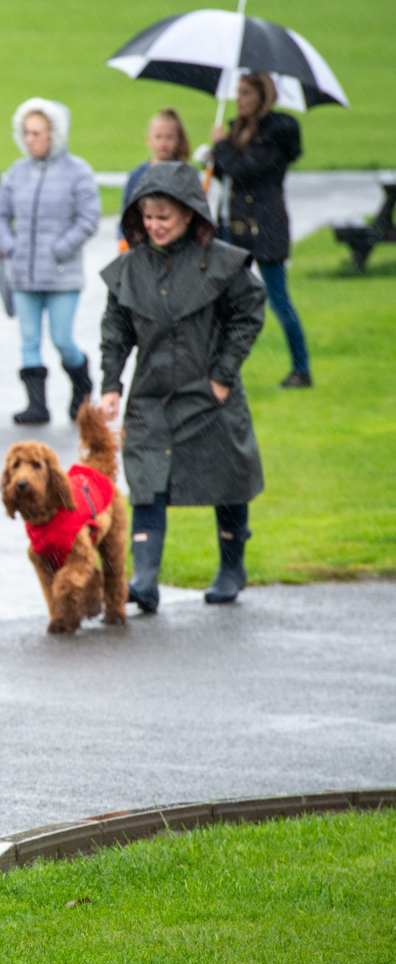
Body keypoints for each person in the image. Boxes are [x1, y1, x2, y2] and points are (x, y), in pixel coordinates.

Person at [99, 161, 266, 610]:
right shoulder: (128, 269)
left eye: (164, 218)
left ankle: (232, 568)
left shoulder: (224, 265)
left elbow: (248, 316)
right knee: (147, 479)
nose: (154, 226)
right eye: (147, 218)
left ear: (190, 214)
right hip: (151, 395)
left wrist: (222, 376)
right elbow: (115, 330)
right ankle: (145, 580)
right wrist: (111, 383)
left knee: (228, 479)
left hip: (211, 394)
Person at [0, 98, 101, 424]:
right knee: (28, 339)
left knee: (63, 338)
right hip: (23, 274)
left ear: (54, 133)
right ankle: (36, 405)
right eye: (26, 133)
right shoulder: (16, 173)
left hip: (62, 274)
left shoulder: (77, 172)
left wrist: (61, 248)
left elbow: (89, 217)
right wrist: (11, 246)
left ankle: (82, 385)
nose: (31, 140)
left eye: (37, 132)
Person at [213, 71, 311, 389]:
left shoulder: (276, 134)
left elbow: (244, 171)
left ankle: (301, 368)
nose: (238, 99)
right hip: (237, 222)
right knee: (226, 298)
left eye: (245, 93)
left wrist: (221, 148)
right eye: (238, 92)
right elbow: (228, 175)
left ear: (261, 97)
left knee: (278, 299)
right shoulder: (239, 129)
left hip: (266, 224)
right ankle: (221, 367)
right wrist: (215, 156)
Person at [119, 108, 192, 241]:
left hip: (179, 243)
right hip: (144, 244)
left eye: (169, 137)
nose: (163, 142)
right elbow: (126, 213)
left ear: (178, 140)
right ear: (149, 140)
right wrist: (122, 240)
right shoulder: (137, 175)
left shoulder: (185, 174)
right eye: (158, 137)